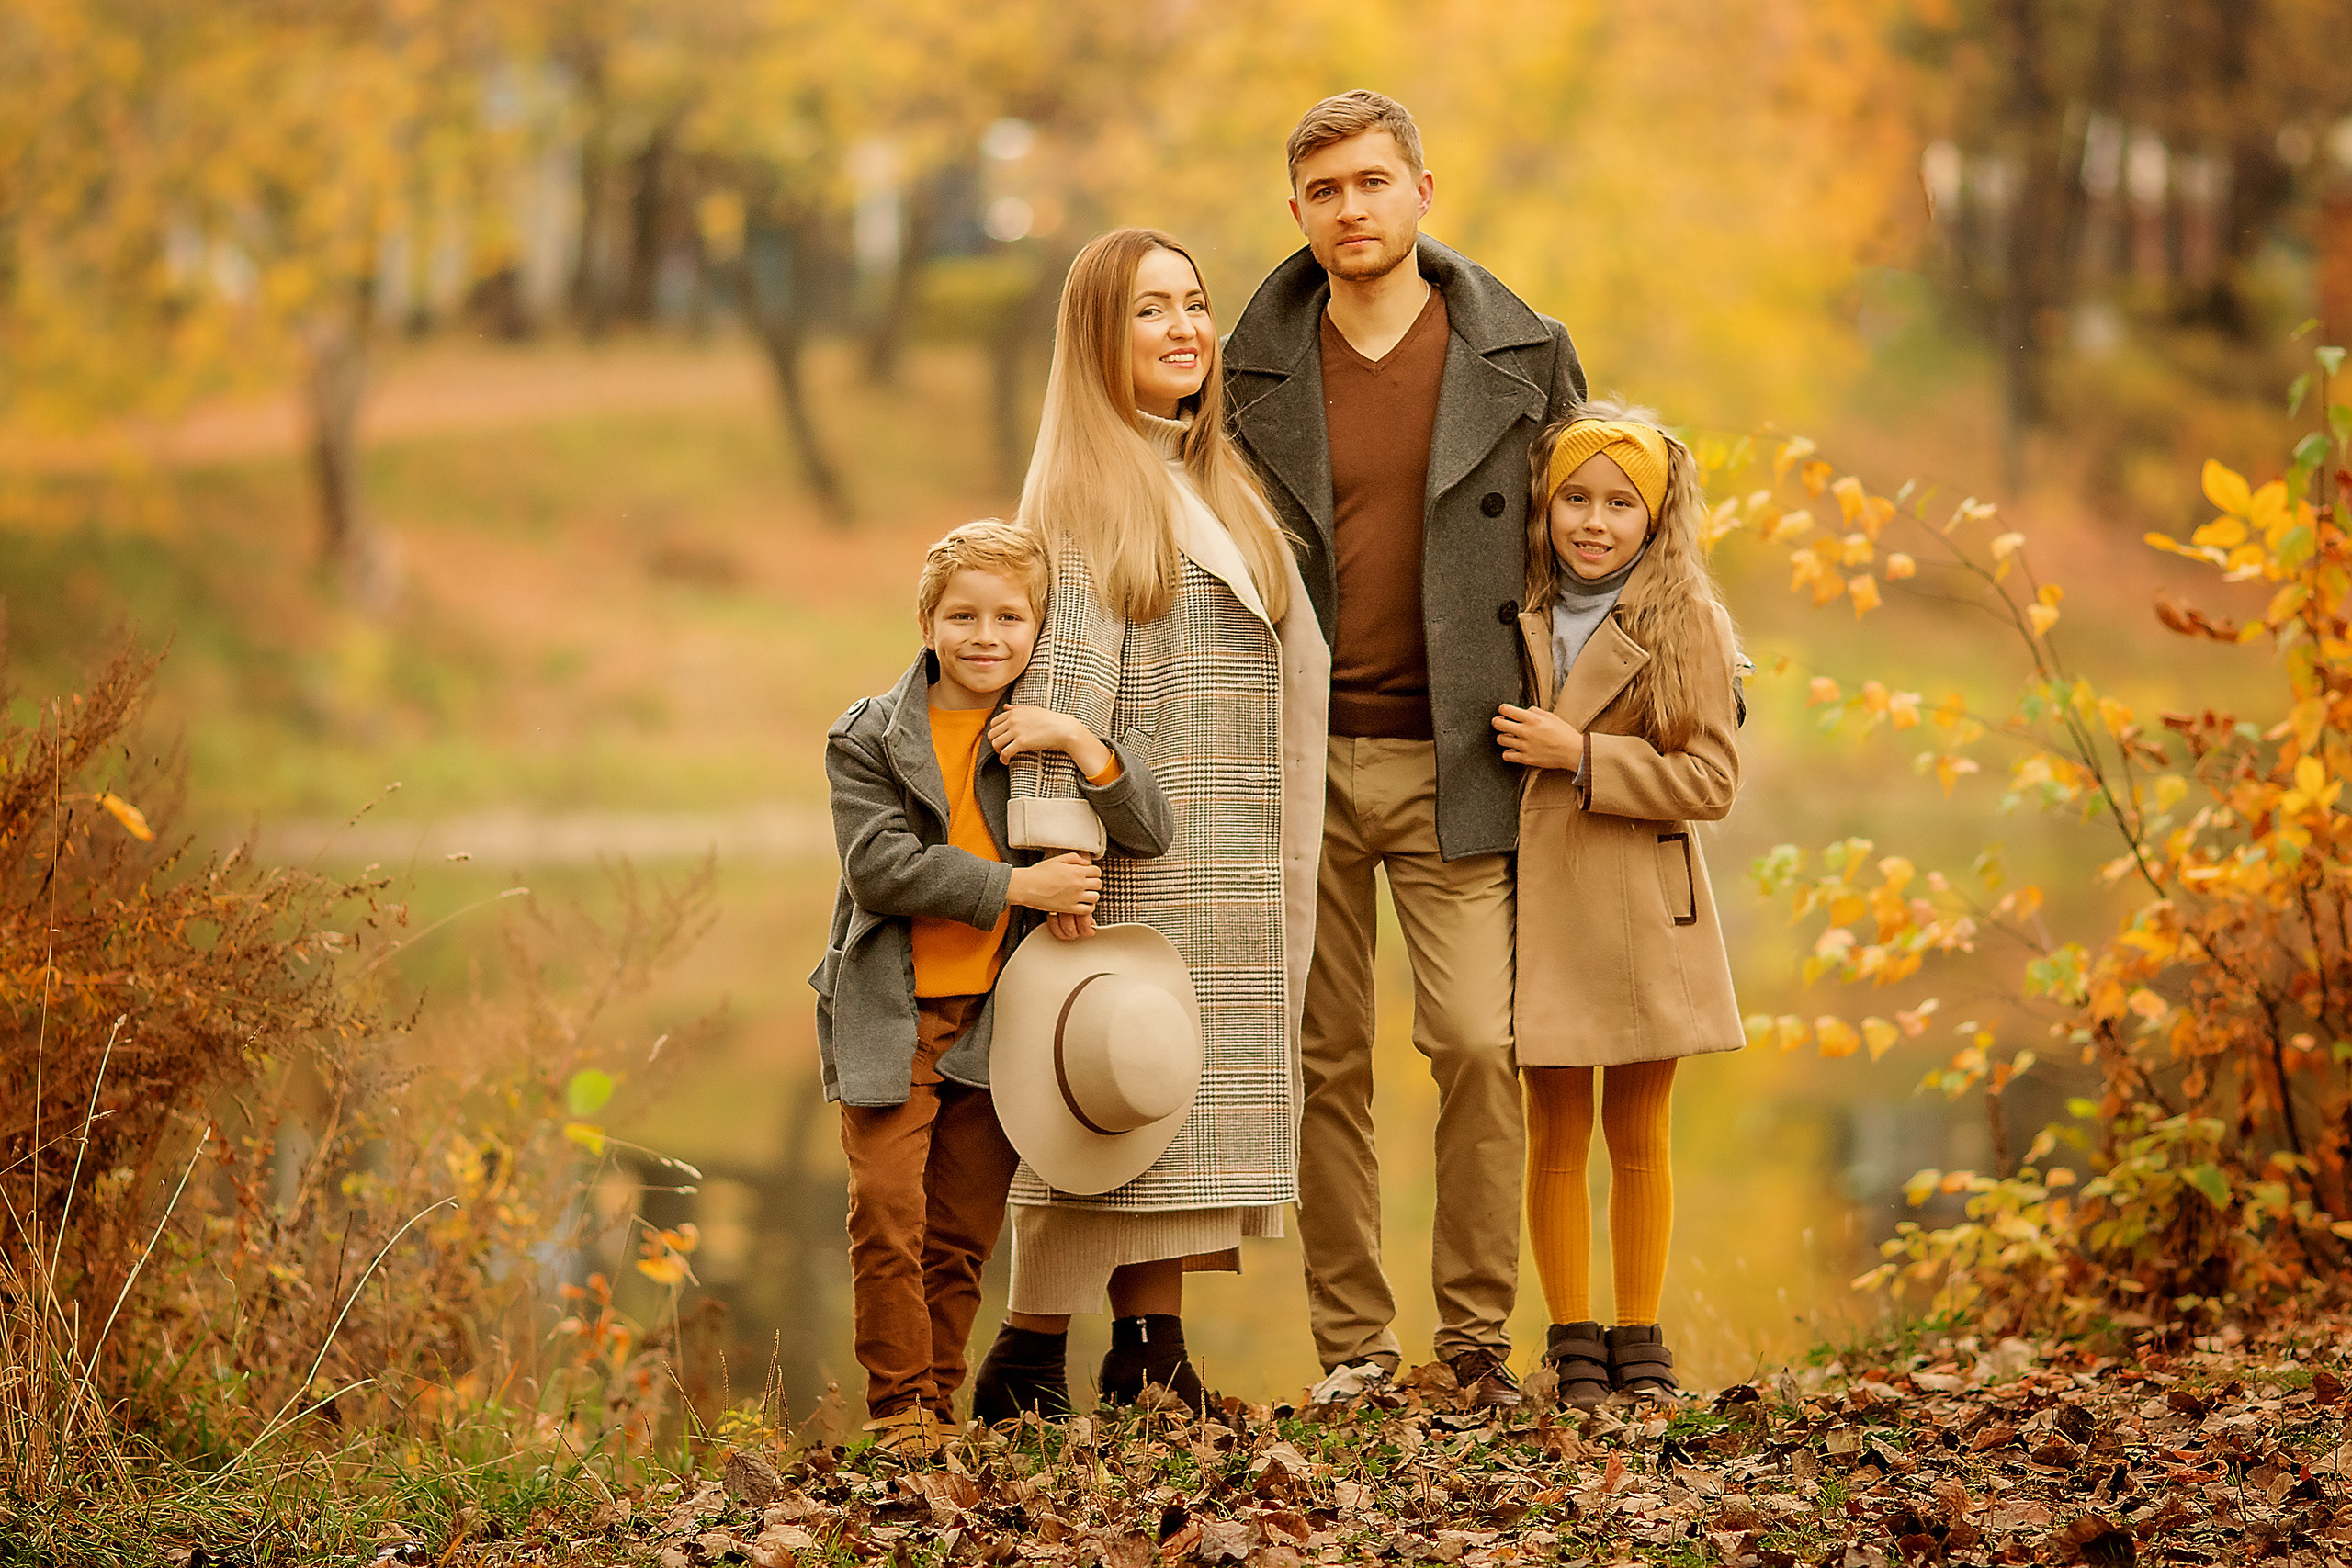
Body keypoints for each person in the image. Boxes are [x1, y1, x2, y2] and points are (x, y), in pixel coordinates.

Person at [1225, 88, 1585, 1406]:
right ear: (1300, 211)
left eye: (1373, 181)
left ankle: (1478, 1346)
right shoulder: (1246, 367)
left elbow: (1591, 547)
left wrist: (1628, 709)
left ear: (1424, 191)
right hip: (1297, 762)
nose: (1351, 208)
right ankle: (1356, 1350)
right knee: (1321, 1060)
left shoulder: (1523, 352)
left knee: (1479, 1046)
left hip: (1462, 755)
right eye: (1324, 190)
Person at [969, 227, 1330, 1422]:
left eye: (1195, 304)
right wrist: (1059, 861)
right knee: (1115, 1100)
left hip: (1223, 853)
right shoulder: (1082, 500)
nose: (1185, 330)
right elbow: (1055, 698)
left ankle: (1148, 1345)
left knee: (1174, 1109)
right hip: (1133, 863)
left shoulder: (1209, 476)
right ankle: (1032, 1357)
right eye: (1150, 311)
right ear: (1095, 338)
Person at [813, 519, 1173, 1453]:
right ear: (926, 622)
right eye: (962, 615)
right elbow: (879, 868)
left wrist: (1077, 739)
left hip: (999, 1020)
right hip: (889, 1013)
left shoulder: (1038, 730)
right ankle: (898, 1410)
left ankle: (936, 1405)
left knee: (961, 1232)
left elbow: (1148, 827)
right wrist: (1023, 886)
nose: (986, 636)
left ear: (1037, 627)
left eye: (1009, 618)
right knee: (888, 1212)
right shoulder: (865, 738)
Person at [1489, 402, 1747, 1408]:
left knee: (1639, 1127)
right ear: (1546, 507)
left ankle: (1640, 1337)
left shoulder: (1687, 621)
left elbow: (1711, 781)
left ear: (1654, 516)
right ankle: (1572, 1341)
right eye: (1574, 499)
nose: (1593, 522)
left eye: (1618, 504)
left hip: (1645, 902)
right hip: (1543, 903)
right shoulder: (1514, 611)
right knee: (1554, 1129)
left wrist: (1582, 755)